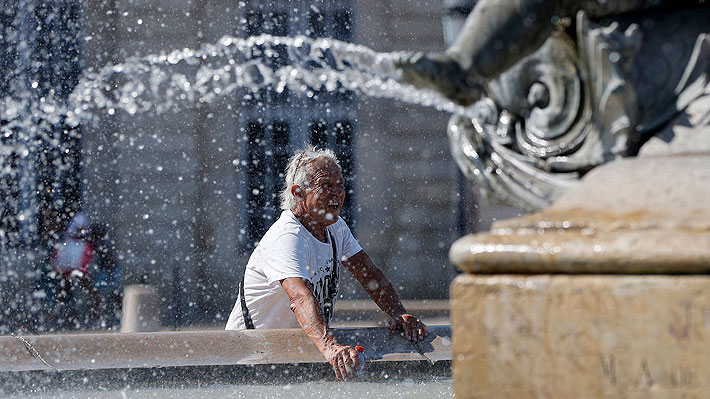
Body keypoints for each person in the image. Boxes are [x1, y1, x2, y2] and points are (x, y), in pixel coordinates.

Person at [226, 146, 428, 381]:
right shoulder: (287, 236)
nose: (337, 193)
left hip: (292, 349)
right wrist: (331, 347)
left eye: (340, 184)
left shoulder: (335, 227)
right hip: (246, 354)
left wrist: (398, 313)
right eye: (326, 186)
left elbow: (369, 274)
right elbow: (299, 297)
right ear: (298, 193)